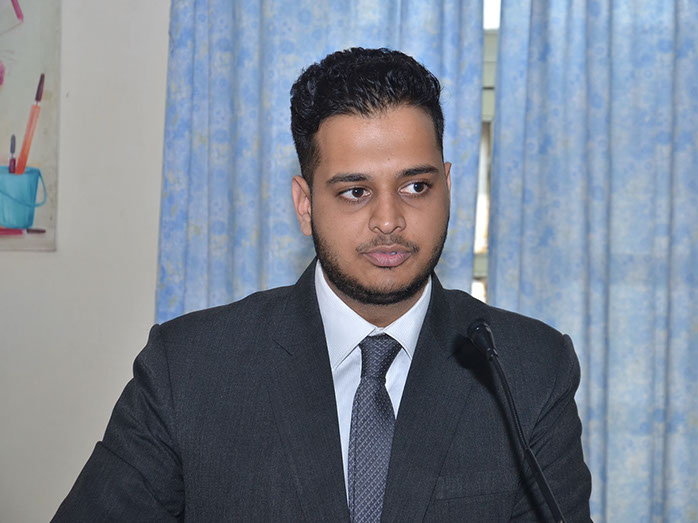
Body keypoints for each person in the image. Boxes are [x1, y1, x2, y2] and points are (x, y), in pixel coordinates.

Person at [54, 48, 591, 522]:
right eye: (355, 191)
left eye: (415, 186)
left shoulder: (529, 368)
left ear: (447, 186)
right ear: (305, 204)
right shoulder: (188, 369)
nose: (389, 220)